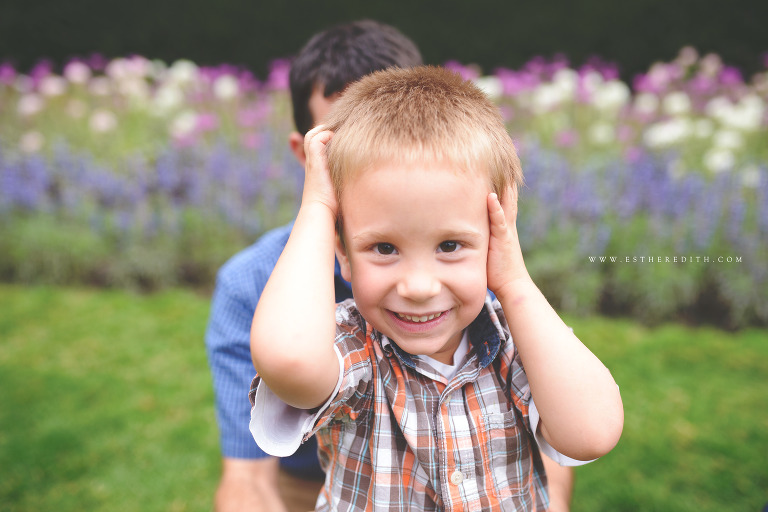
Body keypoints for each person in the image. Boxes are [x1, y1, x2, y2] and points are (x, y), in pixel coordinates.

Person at [207, 20, 574, 512]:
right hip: (308, 479)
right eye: (349, 141)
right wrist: (318, 210)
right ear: (309, 157)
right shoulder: (253, 286)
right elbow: (247, 481)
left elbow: (564, 438)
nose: (420, 287)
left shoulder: (474, 290)